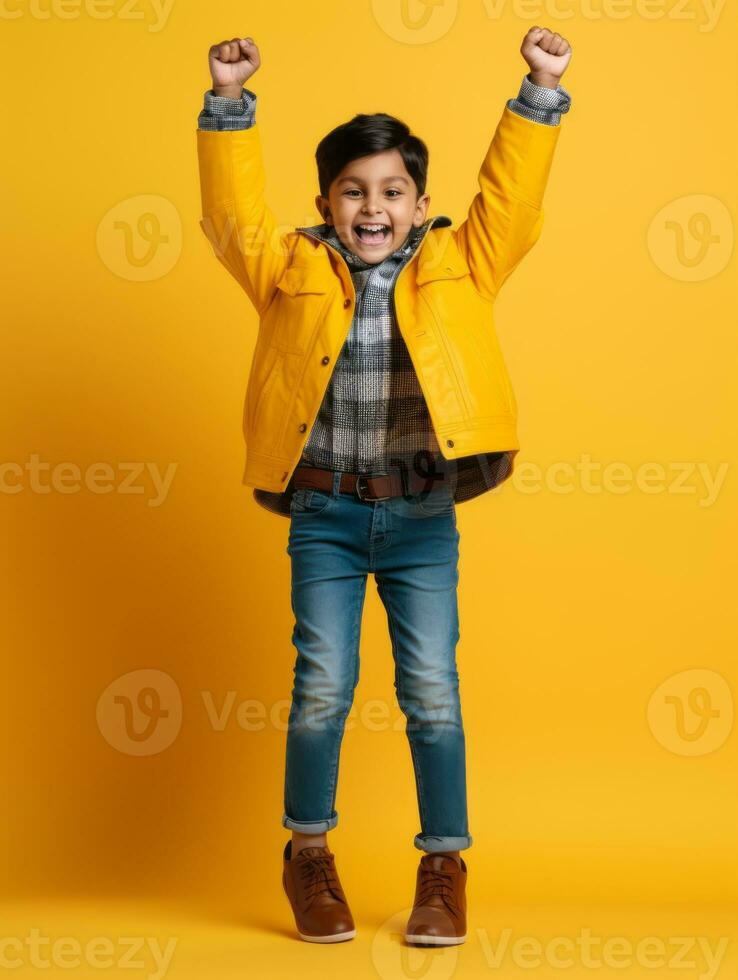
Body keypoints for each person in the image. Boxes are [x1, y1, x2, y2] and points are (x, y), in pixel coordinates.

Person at [196, 27, 572, 946]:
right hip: (324, 514)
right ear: (324, 201)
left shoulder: (460, 263)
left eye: (392, 191)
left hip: (420, 516)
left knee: (432, 691)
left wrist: (539, 89)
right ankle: (308, 856)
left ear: (421, 202)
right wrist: (230, 103)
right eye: (353, 191)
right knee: (322, 683)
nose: (373, 207)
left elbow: (513, 204)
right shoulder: (287, 266)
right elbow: (230, 215)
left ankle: (444, 867)